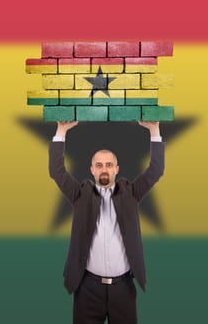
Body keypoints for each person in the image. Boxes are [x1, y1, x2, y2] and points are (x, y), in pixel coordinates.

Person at [49, 121, 165, 324]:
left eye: (109, 165)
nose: (104, 169)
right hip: (87, 288)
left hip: (124, 289)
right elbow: (57, 172)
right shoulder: (80, 194)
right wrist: (61, 130)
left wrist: (154, 130)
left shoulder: (131, 192)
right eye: (99, 165)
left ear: (117, 169)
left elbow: (155, 170)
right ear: (92, 170)